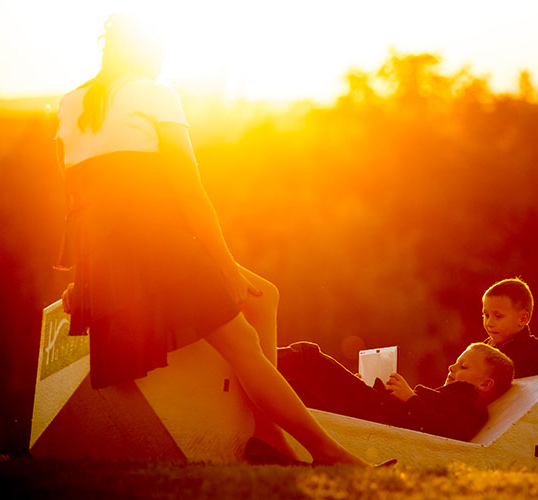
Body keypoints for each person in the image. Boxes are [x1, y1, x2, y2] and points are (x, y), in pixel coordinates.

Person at [54, 14, 365, 466]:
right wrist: (224, 266)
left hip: (116, 256)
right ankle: (328, 453)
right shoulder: (154, 94)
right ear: (146, 53)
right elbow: (190, 192)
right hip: (154, 247)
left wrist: (84, 277)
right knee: (242, 341)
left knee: (265, 297)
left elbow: (76, 200)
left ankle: (268, 440)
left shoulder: (69, 103)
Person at [275, 342, 514, 442]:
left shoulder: (469, 405)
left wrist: (411, 399)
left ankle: (253, 359)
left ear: (485, 384)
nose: (452, 367)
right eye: (456, 362)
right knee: (302, 387)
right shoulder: (451, 396)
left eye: (464, 366)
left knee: (310, 358)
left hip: (377, 413)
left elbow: (448, 430)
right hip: (376, 407)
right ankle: (254, 370)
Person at [482, 278, 538, 378]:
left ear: (522, 319)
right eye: (486, 315)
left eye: (498, 316)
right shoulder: (484, 349)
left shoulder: (534, 351)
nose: (489, 323)